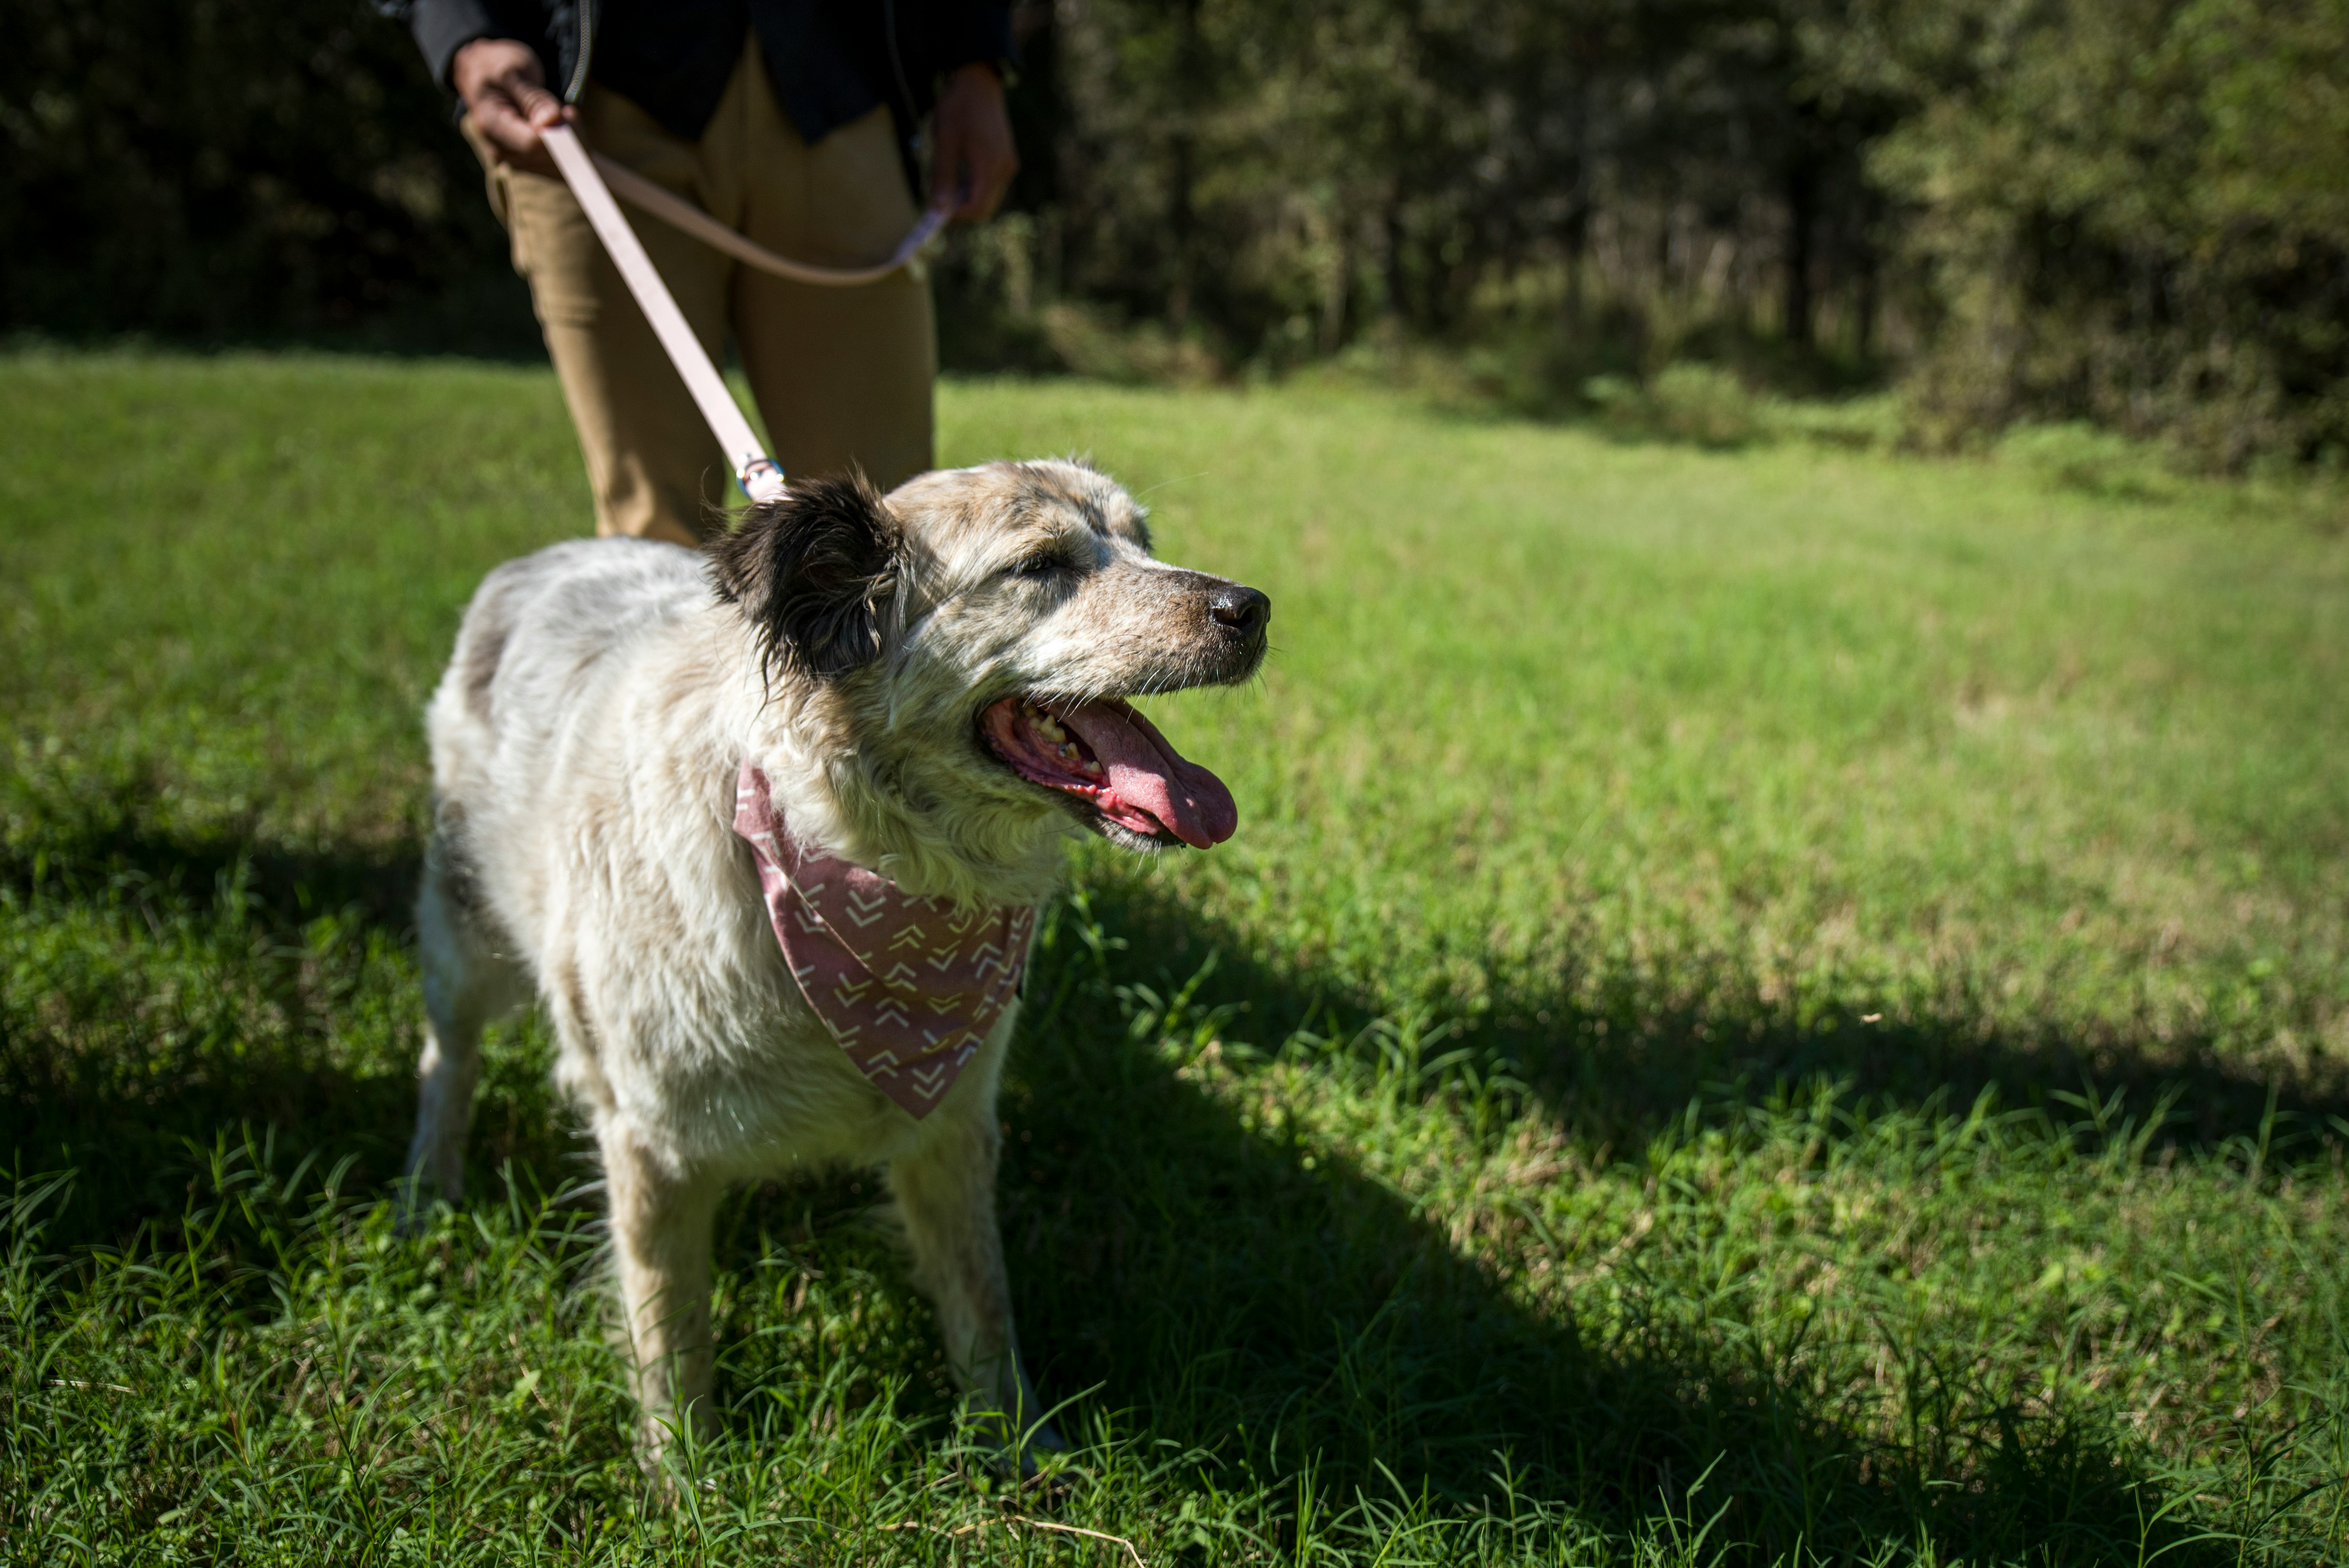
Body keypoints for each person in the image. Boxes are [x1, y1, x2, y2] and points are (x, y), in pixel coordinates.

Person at [398, 1, 1019, 545]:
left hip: (841, 84)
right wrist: (464, 26)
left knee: (891, 531)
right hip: (591, 109)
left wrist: (977, 59)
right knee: (654, 537)